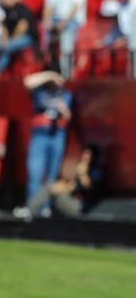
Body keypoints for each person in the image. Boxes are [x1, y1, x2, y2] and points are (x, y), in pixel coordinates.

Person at [13, 144, 105, 220]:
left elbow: (89, 187)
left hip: (83, 209)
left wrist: (82, 174)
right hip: (73, 202)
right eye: (84, 154)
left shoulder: (97, 171)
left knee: (50, 186)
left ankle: (30, 210)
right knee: (51, 184)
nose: (85, 157)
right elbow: (74, 188)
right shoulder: (83, 169)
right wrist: (64, 186)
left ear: (94, 156)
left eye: (88, 155)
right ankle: (38, 210)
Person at [23, 69, 72, 202]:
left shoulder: (65, 95)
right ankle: (33, 207)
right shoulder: (39, 92)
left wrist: (63, 109)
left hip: (57, 135)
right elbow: (27, 82)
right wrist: (48, 75)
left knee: (51, 176)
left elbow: (68, 117)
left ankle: (46, 208)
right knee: (35, 173)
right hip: (39, 136)